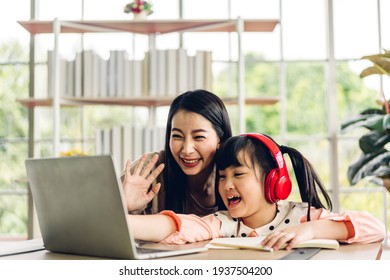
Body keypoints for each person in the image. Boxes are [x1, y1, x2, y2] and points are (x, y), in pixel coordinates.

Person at [126, 133, 386, 250]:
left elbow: (374, 228)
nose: (227, 185)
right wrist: (122, 222)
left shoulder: (301, 217)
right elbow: (175, 225)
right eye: (222, 177)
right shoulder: (224, 222)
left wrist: (312, 230)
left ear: (274, 181)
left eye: (238, 175)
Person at [122, 89, 232, 215]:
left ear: (220, 139)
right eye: (177, 136)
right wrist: (124, 208)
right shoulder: (149, 170)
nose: (186, 150)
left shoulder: (237, 175)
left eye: (198, 137)